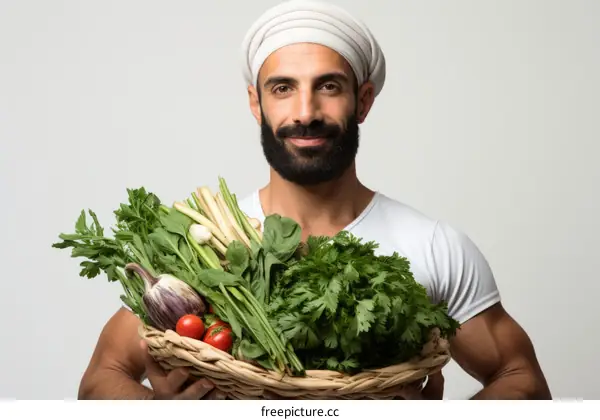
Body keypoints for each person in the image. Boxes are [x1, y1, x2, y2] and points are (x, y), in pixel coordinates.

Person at [77, 0, 551, 400]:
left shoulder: (432, 245)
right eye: (282, 89)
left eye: (328, 86)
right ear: (255, 104)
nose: (305, 112)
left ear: (362, 101)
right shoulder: (199, 244)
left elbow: (521, 378)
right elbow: (101, 378)